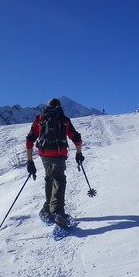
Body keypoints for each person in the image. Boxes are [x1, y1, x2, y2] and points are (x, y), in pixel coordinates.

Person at [25, 98, 84, 228]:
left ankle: (48, 209)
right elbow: (76, 137)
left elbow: (30, 140)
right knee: (59, 179)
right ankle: (58, 211)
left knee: (49, 178)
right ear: (59, 106)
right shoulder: (64, 119)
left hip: (44, 153)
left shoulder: (40, 118)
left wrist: (30, 162)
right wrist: (79, 153)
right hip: (59, 153)